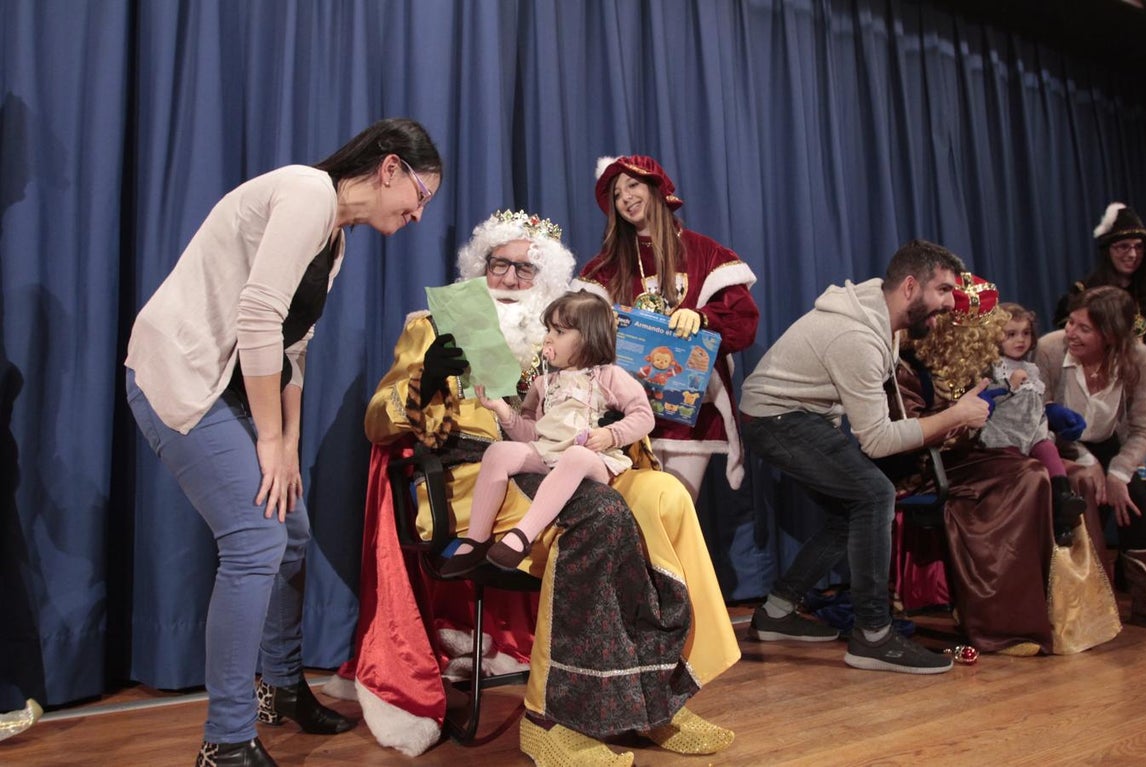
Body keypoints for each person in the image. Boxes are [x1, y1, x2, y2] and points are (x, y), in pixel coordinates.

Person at [333, 209, 740, 763]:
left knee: (664, 497)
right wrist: (428, 385)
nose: (510, 279)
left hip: (570, 463)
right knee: (595, 517)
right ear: (482, 268)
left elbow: (621, 409)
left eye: (526, 270)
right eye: (499, 265)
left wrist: (615, 441)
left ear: (547, 281)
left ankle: (660, 697)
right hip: (482, 479)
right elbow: (379, 420)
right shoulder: (434, 325)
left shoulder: (573, 339)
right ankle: (552, 718)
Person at [124, 117, 442, 767]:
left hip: (239, 391)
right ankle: (227, 740)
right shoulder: (305, 192)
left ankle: (281, 685)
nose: (418, 215)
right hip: (183, 376)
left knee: (289, 530)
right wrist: (268, 435)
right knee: (256, 539)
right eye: (420, 196)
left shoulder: (335, 238)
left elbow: (291, 347)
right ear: (389, 169)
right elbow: (259, 314)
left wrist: (287, 444)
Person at [740, 240, 988, 674]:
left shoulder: (881, 317)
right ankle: (873, 636)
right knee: (874, 496)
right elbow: (875, 441)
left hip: (798, 418)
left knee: (850, 512)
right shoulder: (858, 337)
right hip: (776, 420)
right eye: (944, 290)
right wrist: (955, 416)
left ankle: (776, 612)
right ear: (910, 286)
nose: (952, 302)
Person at [894, 273, 1117, 655]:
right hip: (933, 466)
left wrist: (1046, 412)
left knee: (1067, 476)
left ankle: (1071, 614)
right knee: (1030, 477)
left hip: (981, 453)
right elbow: (906, 434)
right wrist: (959, 419)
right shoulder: (910, 367)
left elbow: (1011, 405)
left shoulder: (978, 364)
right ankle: (1005, 623)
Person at [573, 155, 759, 500]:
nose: (625, 197)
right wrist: (601, 326)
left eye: (632, 185)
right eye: (616, 194)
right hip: (625, 411)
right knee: (633, 519)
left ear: (656, 188)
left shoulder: (705, 252)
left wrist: (705, 318)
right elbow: (574, 330)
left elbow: (744, 323)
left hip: (689, 412)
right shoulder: (605, 267)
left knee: (676, 512)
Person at [441, 291, 655, 577]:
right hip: (549, 453)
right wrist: (503, 411)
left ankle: (522, 536)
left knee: (577, 456)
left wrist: (611, 435)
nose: (549, 338)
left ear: (589, 337)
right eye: (549, 330)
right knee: (498, 451)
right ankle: (476, 539)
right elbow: (531, 434)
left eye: (560, 331)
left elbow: (643, 416)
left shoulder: (609, 377)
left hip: (593, 460)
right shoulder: (543, 384)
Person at [1037, 286, 1146, 624]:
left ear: (1110, 335)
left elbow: (1143, 428)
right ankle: (1084, 607)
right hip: (1058, 446)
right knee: (1085, 494)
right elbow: (1037, 419)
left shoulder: (1139, 359)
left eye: (1083, 328)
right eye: (1071, 323)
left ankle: (1143, 601)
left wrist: (1118, 474)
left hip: (1112, 445)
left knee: (1135, 502)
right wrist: (1085, 459)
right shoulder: (1050, 350)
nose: (1071, 333)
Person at [981, 301, 1087, 546]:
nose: (1020, 340)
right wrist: (1009, 385)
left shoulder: (1032, 368)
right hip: (1004, 436)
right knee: (1026, 471)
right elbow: (986, 400)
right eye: (1011, 334)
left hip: (1033, 432)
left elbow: (1038, 401)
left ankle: (1063, 502)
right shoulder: (993, 368)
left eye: (1026, 333)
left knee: (1049, 450)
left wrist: (1054, 413)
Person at [1053, 202, 1146, 339]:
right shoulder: (1083, 293)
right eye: (1123, 247)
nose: (1133, 255)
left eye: (1139, 247)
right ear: (1107, 251)